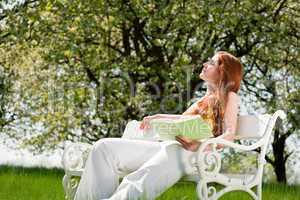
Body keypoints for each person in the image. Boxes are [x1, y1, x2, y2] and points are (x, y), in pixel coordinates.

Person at [74, 51, 243, 200]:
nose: (205, 64)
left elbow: (229, 134)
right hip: (172, 146)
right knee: (103, 148)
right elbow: (183, 121)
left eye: (211, 63)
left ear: (222, 72)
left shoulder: (230, 96)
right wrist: (158, 117)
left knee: (160, 160)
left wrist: (201, 145)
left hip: (194, 154)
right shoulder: (203, 99)